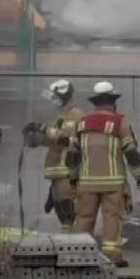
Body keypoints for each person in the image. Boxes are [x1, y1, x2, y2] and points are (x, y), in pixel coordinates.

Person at [67, 80, 140, 266]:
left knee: (84, 218)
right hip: (113, 183)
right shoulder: (120, 122)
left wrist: (72, 178)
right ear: (112, 101)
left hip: (86, 182)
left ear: (95, 102)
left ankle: (80, 256)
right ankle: (111, 258)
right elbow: (131, 153)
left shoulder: (81, 123)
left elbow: (72, 155)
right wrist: (139, 176)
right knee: (112, 218)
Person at [24, 79, 86, 231]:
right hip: (58, 175)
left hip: (68, 172)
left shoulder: (76, 114)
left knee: (69, 214)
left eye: (55, 97)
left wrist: (44, 128)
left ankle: (73, 245)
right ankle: (67, 242)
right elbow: (52, 140)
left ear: (64, 97)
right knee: (64, 215)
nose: (53, 101)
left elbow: (67, 139)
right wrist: (34, 137)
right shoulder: (60, 117)